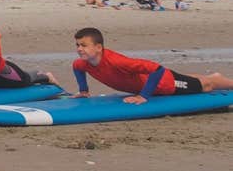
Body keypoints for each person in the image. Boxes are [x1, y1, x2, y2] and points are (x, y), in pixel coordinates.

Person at [71, 27, 233, 103]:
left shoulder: (117, 62)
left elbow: (157, 69)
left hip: (164, 84)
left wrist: (143, 96)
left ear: (99, 47)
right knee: (188, 79)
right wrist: (84, 90)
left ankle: (216, 79)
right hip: (156, 81)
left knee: (206, 86)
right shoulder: (83, 63)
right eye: (77, 45)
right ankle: (214, 76)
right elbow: (77, 68)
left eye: (84, 45)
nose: (79, 49)